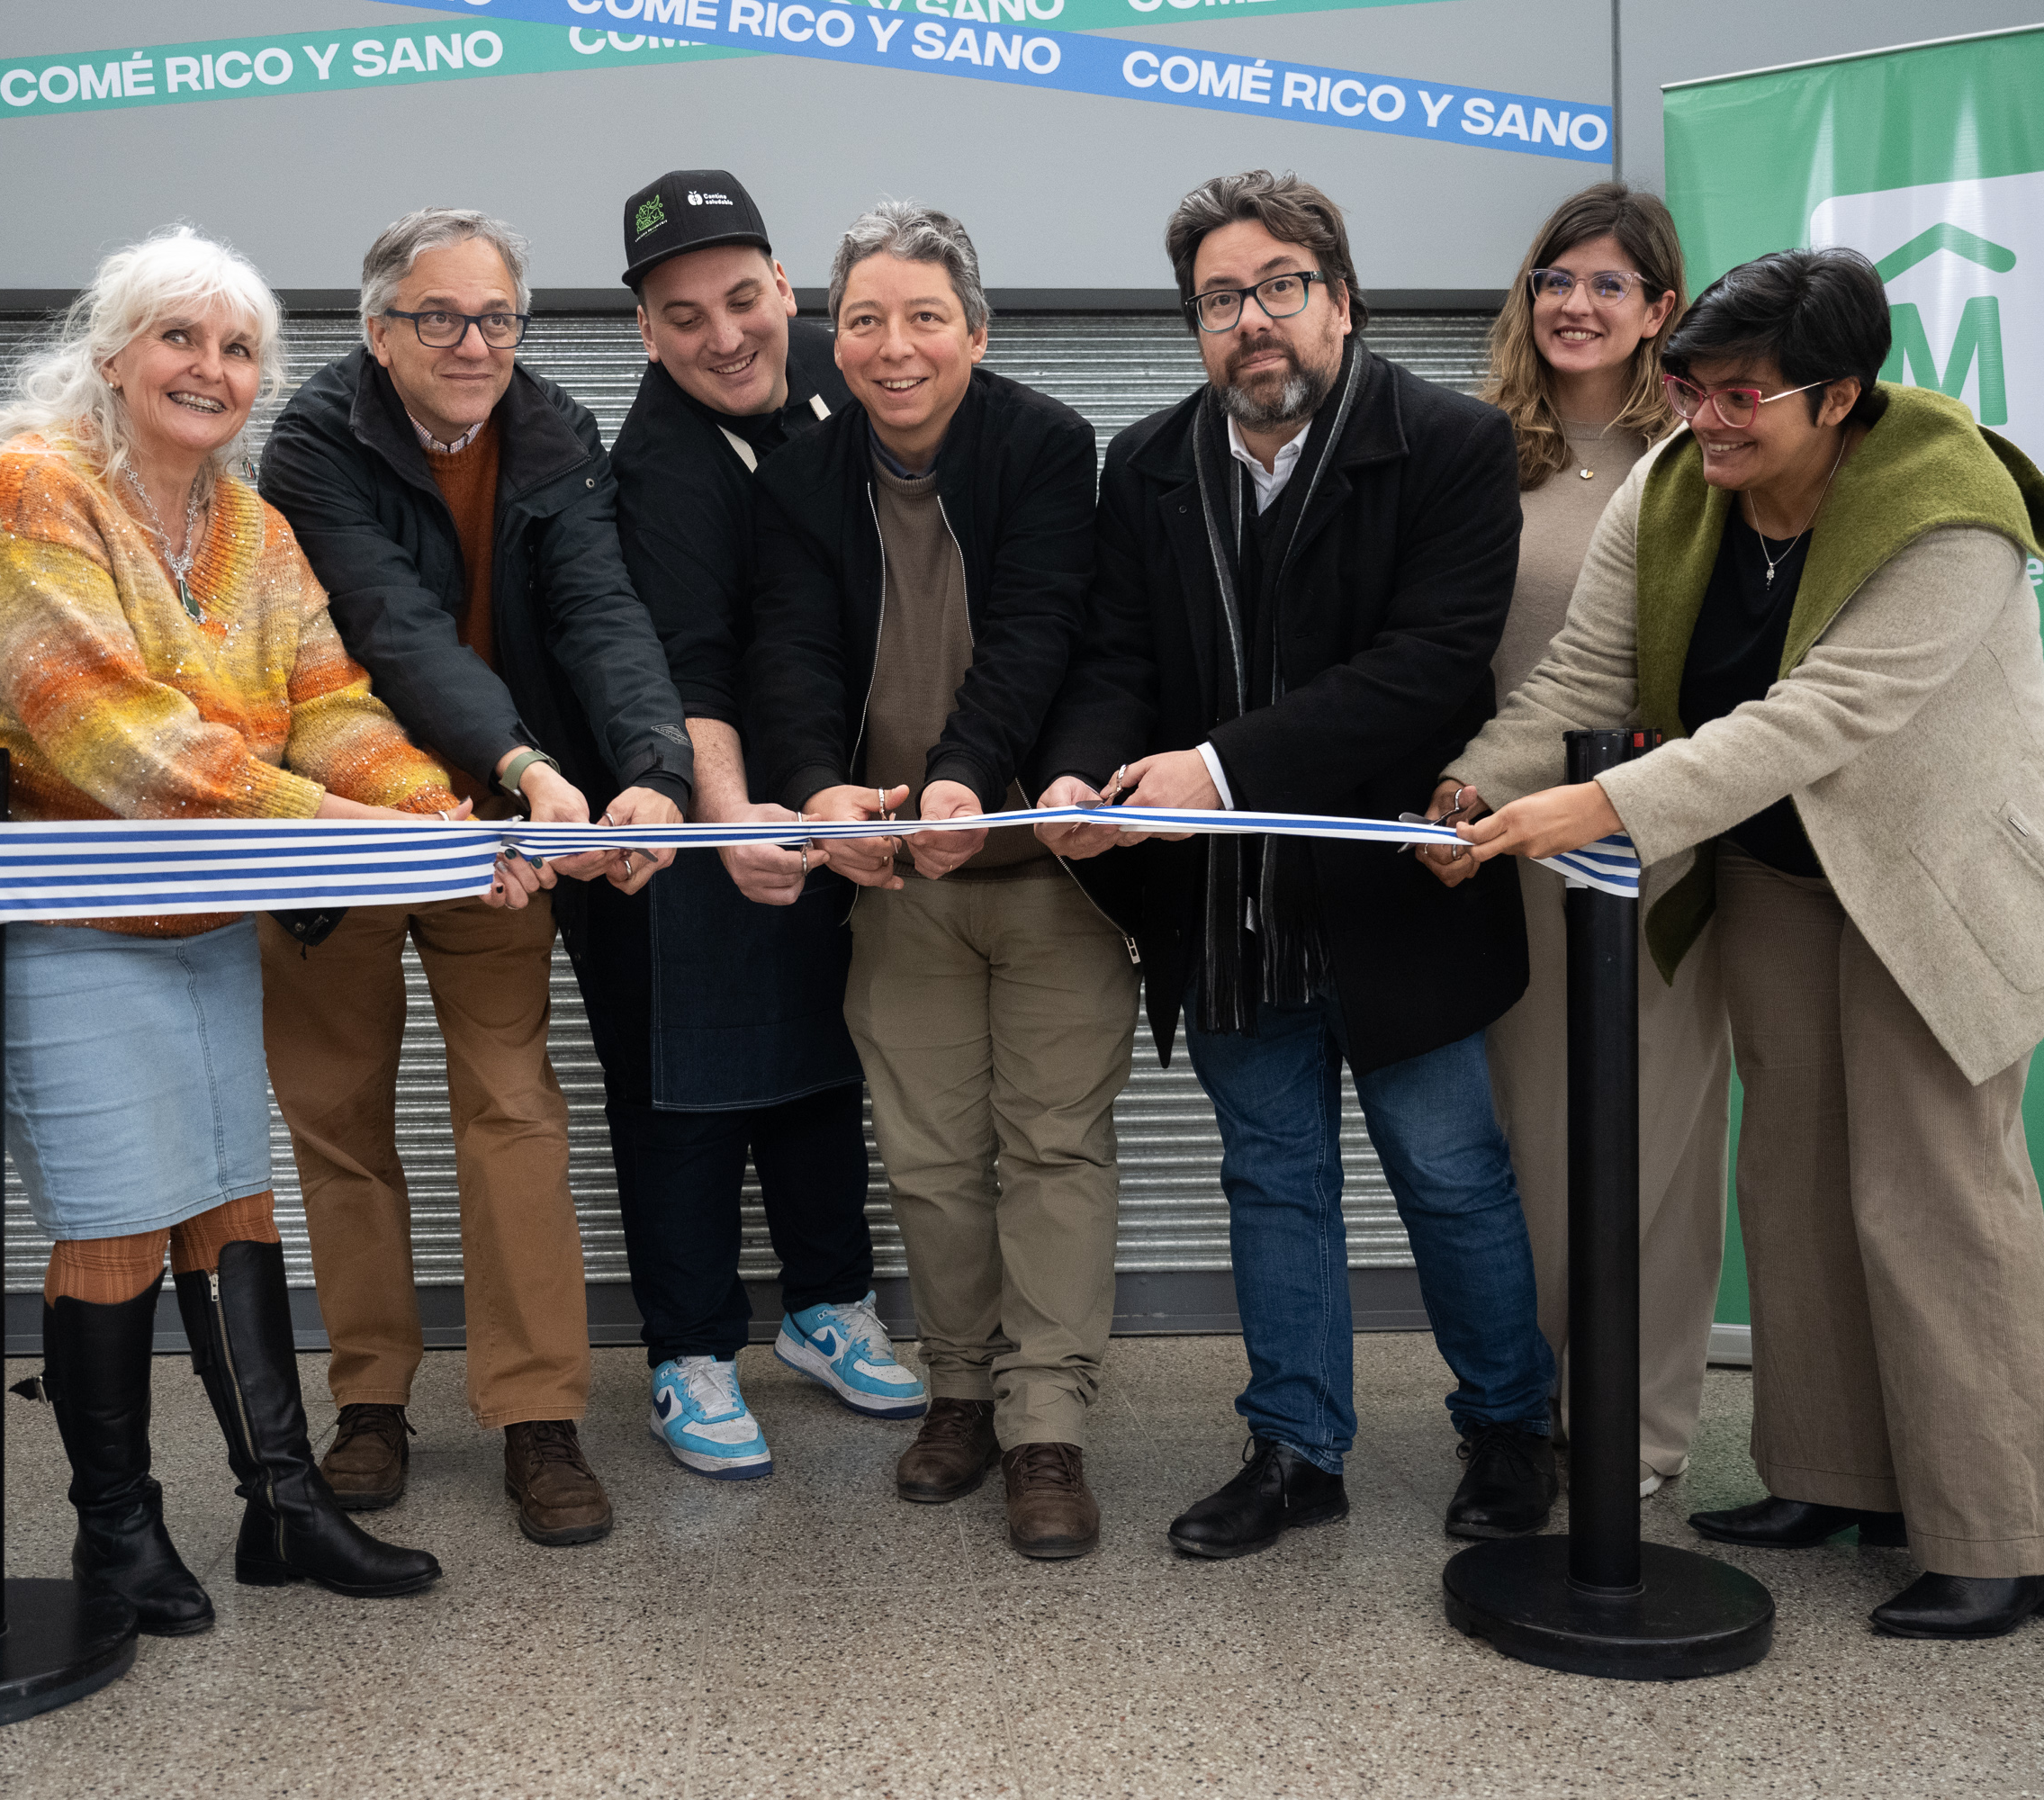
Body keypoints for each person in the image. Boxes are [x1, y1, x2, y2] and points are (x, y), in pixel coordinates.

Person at [1439, 247, 2044, 1640]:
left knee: (1935, 1192)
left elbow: (1816, 717)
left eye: (1747, 395)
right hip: (1778, 875)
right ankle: (1836, 1477)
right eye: (1692, 385)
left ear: (1843, 398)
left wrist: (1603, 804)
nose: (1712, 416)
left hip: (1937, 880)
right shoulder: (1678, 477)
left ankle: (2005, 1539)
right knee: (1799, 1176)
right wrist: (1480, 782)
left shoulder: (1950, 507)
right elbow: (1586, 669)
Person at [0, 226, 447, 1631]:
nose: (212, 368)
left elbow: (333, 705)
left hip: (196, 895)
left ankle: (282, 1507)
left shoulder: (252, 526)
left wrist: (438, 819)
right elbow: (110, 732)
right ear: (113, 352)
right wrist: (340, 832)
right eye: (179, 339)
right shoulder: (32, 488)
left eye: (240, 346)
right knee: (121, 1214)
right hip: (44, 902)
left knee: (225, 1197)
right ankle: (116, 1537)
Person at [1041, 169, 1558, 1560]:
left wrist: (1209, 773)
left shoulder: (1450, 443)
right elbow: (1115, 659)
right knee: (1271, 1175)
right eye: (1220, 299)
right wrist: (1083, 770)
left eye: (1279, 288)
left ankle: (1512, 1429)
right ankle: (1294, 1447)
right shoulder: (1147, 461)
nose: (1251, 321)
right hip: (1222, 910)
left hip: (1397, 897)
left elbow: (1429, 667)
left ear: (1341, 297)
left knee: (1449, 1172)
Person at [257, 208, 695, 1546]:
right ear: (378, 332)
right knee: (340, 1114)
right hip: (335, 807)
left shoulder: (553, 429)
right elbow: (389, 623)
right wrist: (520, 762)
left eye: (496, 316)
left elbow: (600, 608)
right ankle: (372, 1402)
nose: (472, 343)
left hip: (499, 830)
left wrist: (653, 770)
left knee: (513, 1105)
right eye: (438, 318)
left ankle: (539, 1415)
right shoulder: (313, 443)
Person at [743, 201, 1135, 1558]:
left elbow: (1040, 634)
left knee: (1053, 1146)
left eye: (923, 317)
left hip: (1042, 865)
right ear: (830, 335)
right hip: (896, 880)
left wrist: (970, 778)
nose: (892, 347)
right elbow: (788, 658)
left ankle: (1048, 1425)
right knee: (927, 1156)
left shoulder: (1042, 445)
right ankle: (959, 1391)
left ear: (977, 328)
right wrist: (818, 791)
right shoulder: (802, 477)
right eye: (864, 319)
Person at [587, 167, 926, 1480]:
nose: (723, 335)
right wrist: (731, 821)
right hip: (677, 810)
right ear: (645, 333)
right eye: (682, 317)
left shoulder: (847, 389)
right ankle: (690, 1350)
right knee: (682, 1095)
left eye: (742, 298)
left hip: (818, 799)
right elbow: (690, 664)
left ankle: (830, 1308)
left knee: (817, 1065)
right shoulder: (659, 467)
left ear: (787, 288)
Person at [1436, 183, 1727, 1500]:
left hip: (1654, 847)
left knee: (1657, 1146)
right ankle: (1530, 1405)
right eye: (1558, 277)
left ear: (1663, 311)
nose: (1577, 304)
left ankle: (1642, 1428)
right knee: (1532, 1144)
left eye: (1613, 284)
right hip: (1504, 841)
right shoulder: (1477, 451)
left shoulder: (1707, 463)